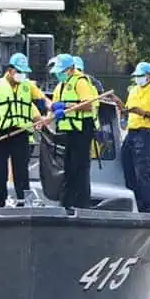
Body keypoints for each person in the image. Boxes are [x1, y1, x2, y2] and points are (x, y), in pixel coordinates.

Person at [0, 53, 50, 208]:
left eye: (24, 72)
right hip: (0, 133)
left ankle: (23, 202)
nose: (22, 75)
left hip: (20, 134)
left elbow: (44, 99)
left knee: (21, 171)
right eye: (19, 71)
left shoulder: (28, 85)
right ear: (10, 70)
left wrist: (54, 106)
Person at [112, 61, 150, 213]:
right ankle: (137, 203)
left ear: (149, 77)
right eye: (136, 76)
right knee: (127, 167)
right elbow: (128, 110)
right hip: (131, 132)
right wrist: (118, 103)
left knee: (142, 171)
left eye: (140, 76)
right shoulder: (134, 90)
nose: (138, 79)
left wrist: (144, 113)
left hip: (144, 133)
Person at [49, 53, 97, 209]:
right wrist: (46, 119)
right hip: (69, 131)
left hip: (82, 129)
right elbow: (54, 108)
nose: (59, 74)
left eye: (61, 71)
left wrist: (66, 107)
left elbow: (88, 104)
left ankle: (81, 204)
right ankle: (68, 203)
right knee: (69, 167)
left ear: (70, 69)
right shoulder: (61, 85)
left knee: (80, 168)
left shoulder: (81, 82)